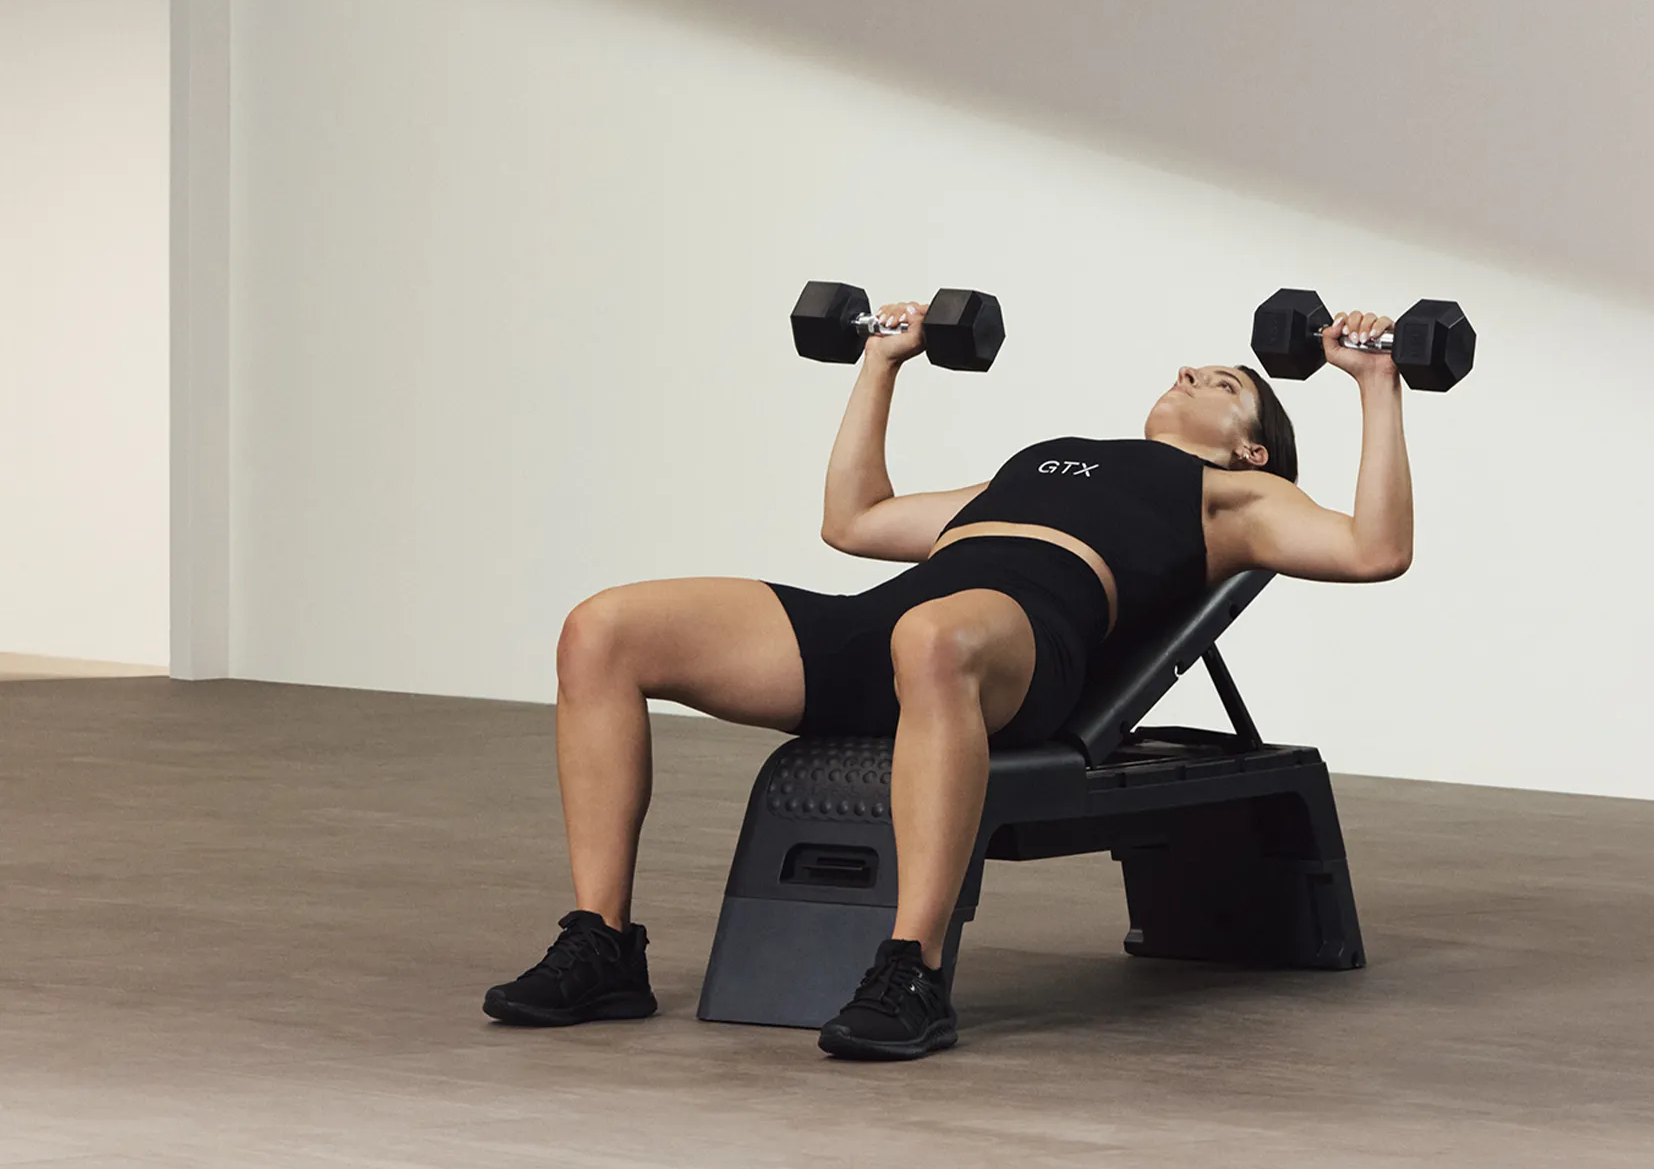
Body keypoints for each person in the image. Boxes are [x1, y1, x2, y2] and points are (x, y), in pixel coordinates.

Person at [483, 300, 1413, 1059]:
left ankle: (912, 967)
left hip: (1015, 653)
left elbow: (1375, 549)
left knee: (933, 637)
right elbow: (856, 520)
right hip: (892, 625)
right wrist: (882, 363)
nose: (1189, 373)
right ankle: (602, 944)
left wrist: (1378, 385)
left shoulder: (1240, 498)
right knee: (602, 628)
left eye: (1223, 383)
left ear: (1251, 446)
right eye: (1191, 366)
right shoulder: (1044, 459)